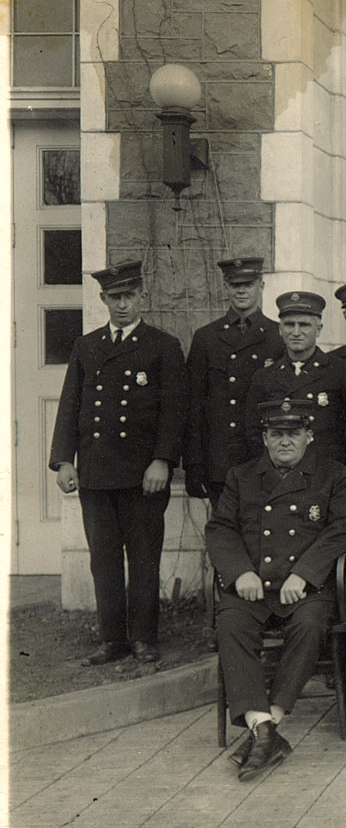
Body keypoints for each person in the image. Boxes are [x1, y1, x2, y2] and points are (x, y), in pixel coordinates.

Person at [207, 398, 346, 780]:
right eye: (277, 435)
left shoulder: (333, 475)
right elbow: (221, 528)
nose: (285, 442)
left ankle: (266, 726)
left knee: (309, 627)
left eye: (293, 434)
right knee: (231, 625)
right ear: (265, 438)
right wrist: (240, 572)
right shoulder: (241, 477)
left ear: (309, 436)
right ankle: (266, 729)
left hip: (304, 588)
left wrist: (305, 574)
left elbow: (341, 529)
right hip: (253, 587)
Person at [49, 260, 186, 666]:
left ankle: (143, 637)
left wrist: (162, 461)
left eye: (129, 296)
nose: (122, 305)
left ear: (142, 296)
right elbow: (70, 405)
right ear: (103, 299)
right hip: (95, 474)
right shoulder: (87, 346)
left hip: (143, 476)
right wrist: (63, 461)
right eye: (114, 297)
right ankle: (113, 639)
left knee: (143, 557)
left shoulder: (162, 346)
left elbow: (173, 411)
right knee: (103, 559)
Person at [183, 256, 285, 505]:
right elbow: (193, 404)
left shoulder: (278, 335)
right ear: (225, 287)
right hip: (220, 461)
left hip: (264, 458)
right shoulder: (206, 338)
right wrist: (193, 463)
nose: (241, 291)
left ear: (261, 285)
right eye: (234, 284)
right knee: (224, 536)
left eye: (248, 284)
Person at [244, 291, 346, 470]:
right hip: (279, 473)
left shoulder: (341, 372)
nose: (296, 332)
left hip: (326, 475)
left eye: (304, 325)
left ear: (318, 329)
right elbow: (254, 433)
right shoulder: (264, 376)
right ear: (280, 329)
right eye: (289, 325)